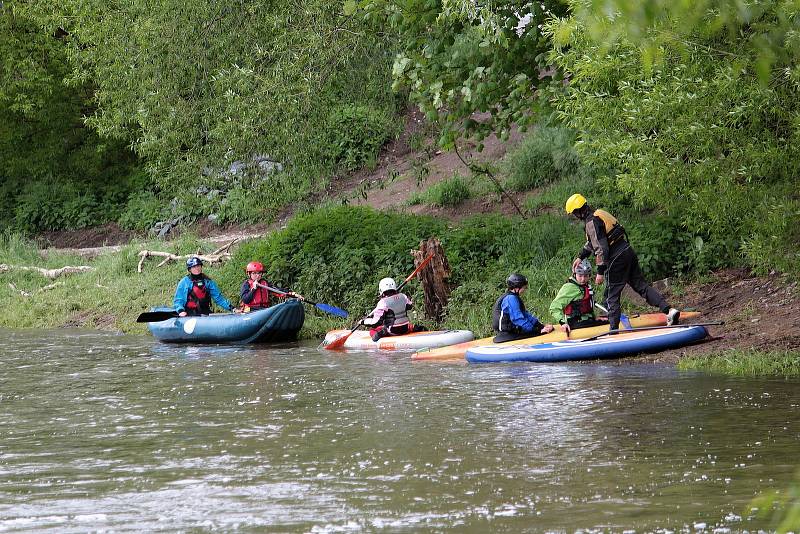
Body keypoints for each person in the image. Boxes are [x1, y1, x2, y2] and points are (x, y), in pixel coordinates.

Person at [565, 193, 680, 330]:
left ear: (578, 212)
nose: (575, 216)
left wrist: (600, 271)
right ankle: (669, 310)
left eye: (574, 213)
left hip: (616, 258)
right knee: (641, 285)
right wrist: (580, 256)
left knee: (611, 295)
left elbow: (601, 248)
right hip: (627, 251)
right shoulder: (599, 214)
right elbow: (593, 242)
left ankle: (613, 331)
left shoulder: (591, 222)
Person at [492, 273, 555, 343]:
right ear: (517, 288)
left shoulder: (513, 297)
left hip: (512, 331)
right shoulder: (510, 298)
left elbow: (525, 315)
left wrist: (541, 326)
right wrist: (536, 331)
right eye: (524, 287)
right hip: (507, 334)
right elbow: (518, 319)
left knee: (538, 331)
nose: (525, 290)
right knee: (538, 333)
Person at [549, 259, 608, 334]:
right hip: (575, 323)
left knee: (608, 320)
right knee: (609, 324)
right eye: (580, 275)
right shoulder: (569, 287)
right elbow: (554, 307)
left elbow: (588, 306)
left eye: (586, 276)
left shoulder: (586, 286)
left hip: (586, 320)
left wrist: (595, 318)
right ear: (574, 274)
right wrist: (563, 323)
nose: (583, 279)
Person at [363, 277, 426, 342]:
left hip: (392, 331)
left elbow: (376, 323)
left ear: (381, 290)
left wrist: (363, 321)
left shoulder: (382, 302)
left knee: (372, 330)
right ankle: (413, 327)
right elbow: (409, 306)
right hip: (405, 328)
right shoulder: (403, 296)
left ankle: (380, 334)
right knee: (408, 325)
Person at [239, 261, 303, 311]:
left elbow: (278, 291)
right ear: (249, 274)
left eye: (259, 273)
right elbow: (245, 300)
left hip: (264, 309)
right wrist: (253, 289)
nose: (257, 275)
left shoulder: (265, 283)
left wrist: (293, 294)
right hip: (251, 310)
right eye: (254, 273)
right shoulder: (246, 284)